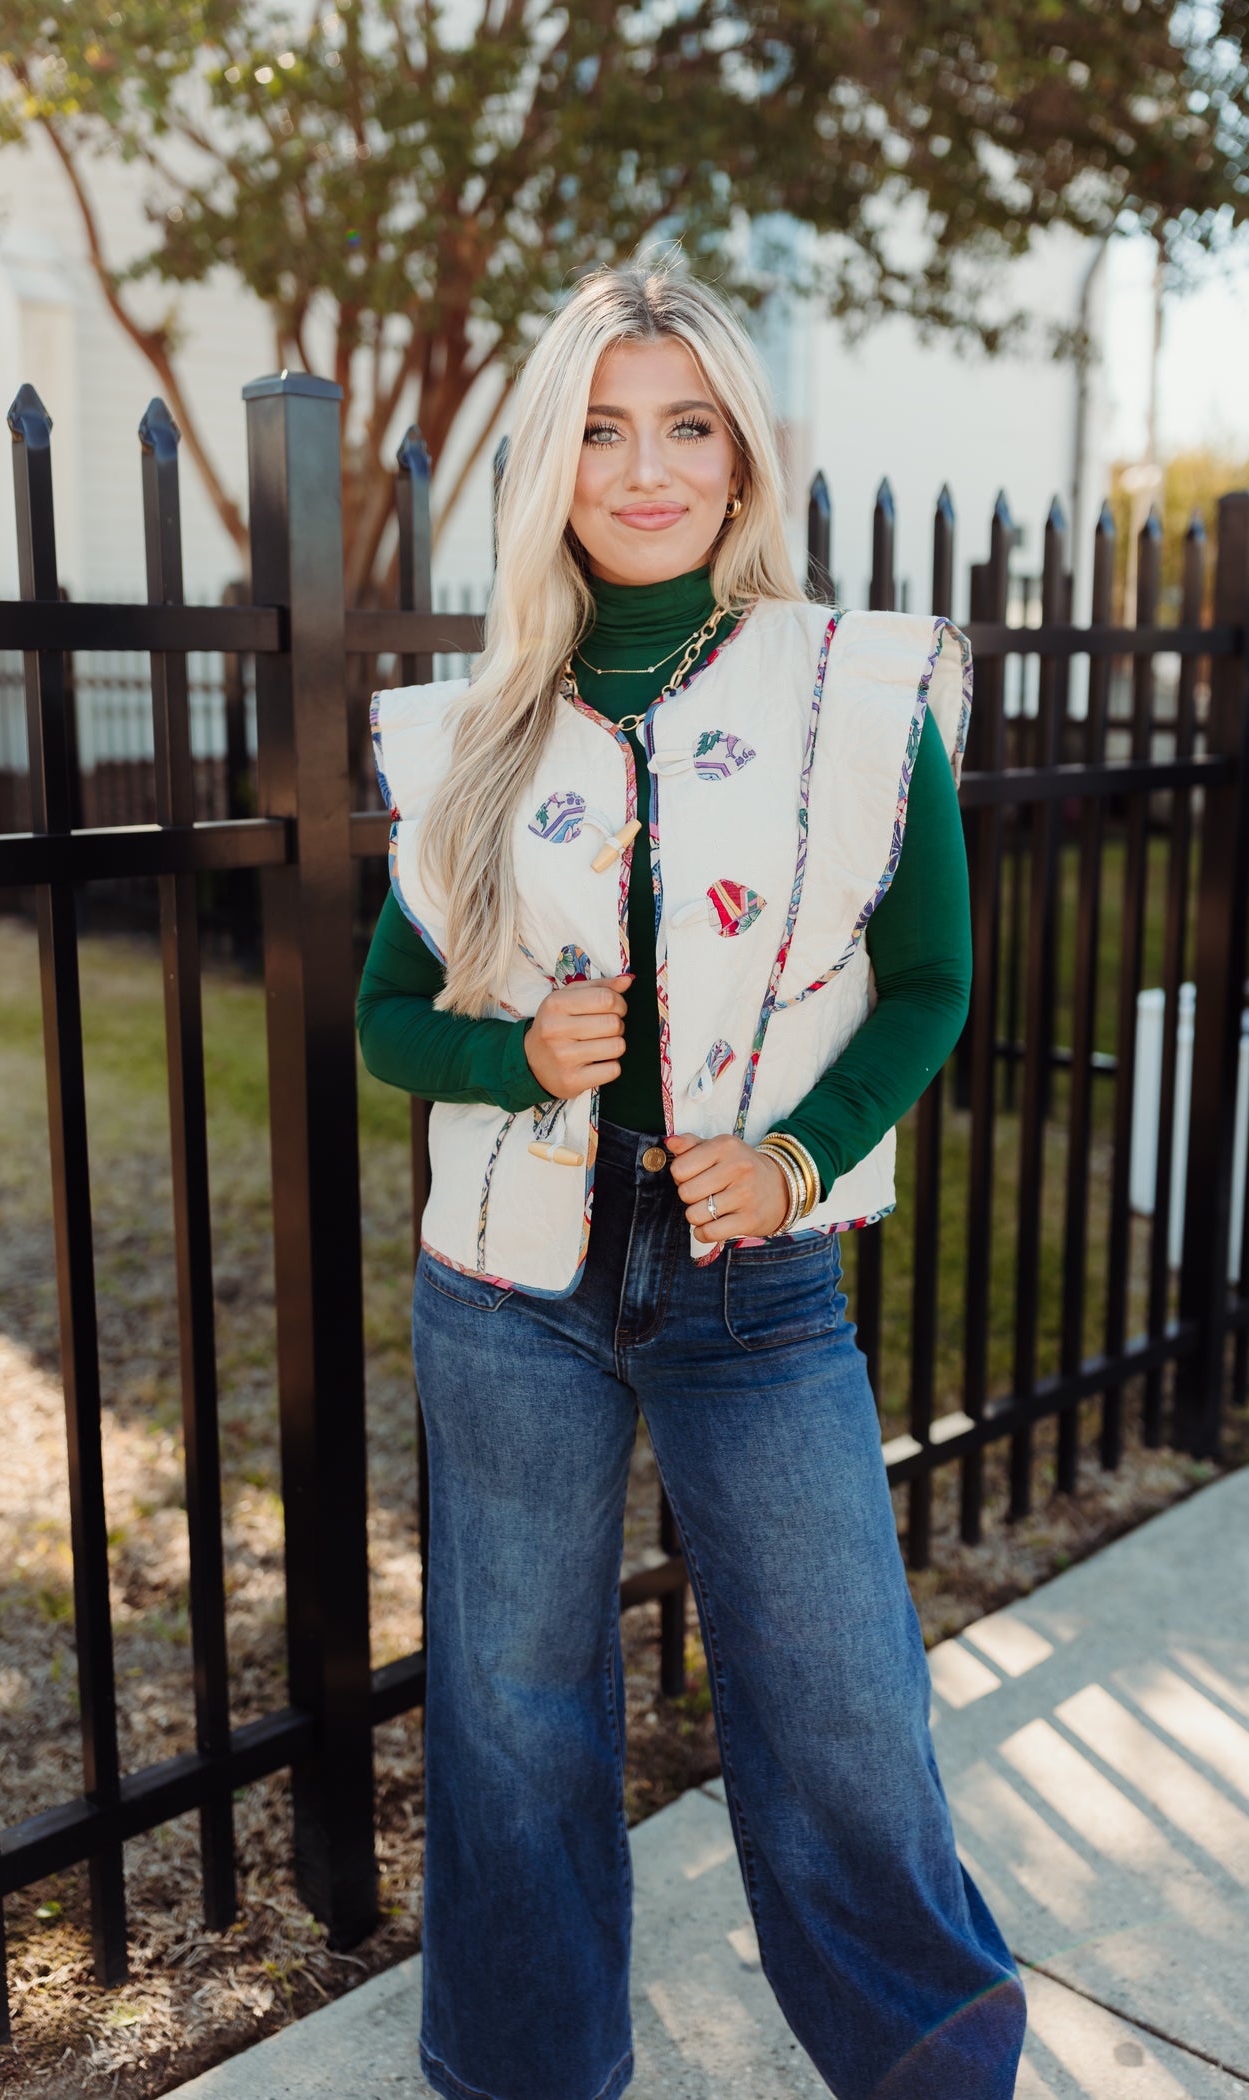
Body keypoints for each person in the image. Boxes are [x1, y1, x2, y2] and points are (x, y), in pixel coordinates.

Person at [357, 262, 1025, 2100]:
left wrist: (805, 1150)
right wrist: (513, 1056)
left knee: (844, 1713)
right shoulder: (465, 729)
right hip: (508, 1288)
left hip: (758, 1279)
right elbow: (386, 1020)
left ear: (741, 458)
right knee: (513, 1715)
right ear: (549, 465)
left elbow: (934, 981)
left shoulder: (860, 691)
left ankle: (936, 2075)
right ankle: (520, 2072)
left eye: (685, 426)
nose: (642, 469)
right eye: (598, 429)